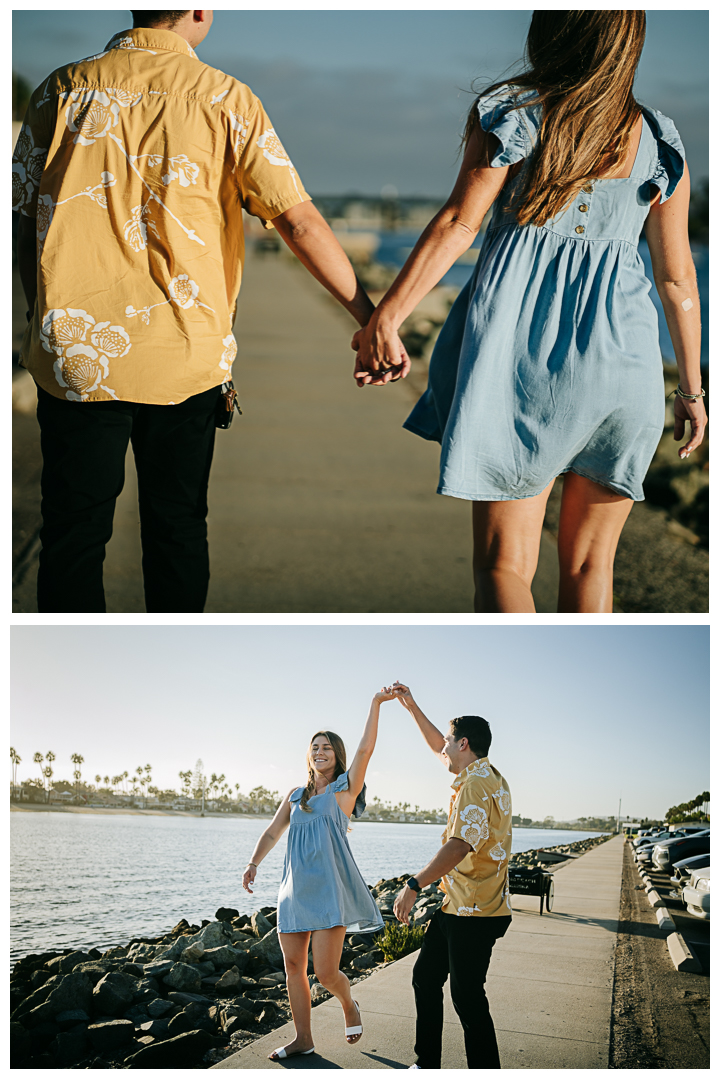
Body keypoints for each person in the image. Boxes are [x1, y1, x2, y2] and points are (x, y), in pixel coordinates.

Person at [12, 9, 390, 613]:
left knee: (72, 535)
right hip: (184, 356)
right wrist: (369, 317)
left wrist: (40, 317)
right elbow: (295, 218)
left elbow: (23, 217)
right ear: (197, 11)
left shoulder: (61, 89)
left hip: (76, 356)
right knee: (178, 528)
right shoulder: (226, 99)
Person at [352, 10, 707, 614]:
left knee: (504, 564)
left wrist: (386, 316)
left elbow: (458, 224)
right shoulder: (659, 141)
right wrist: (694, 392)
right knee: (592, 567)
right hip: (626, 372)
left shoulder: (515, 113)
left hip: (520, 368)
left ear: (553, 30)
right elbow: (677, 281)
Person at [241, 690, 391, 1060]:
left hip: (329, 893)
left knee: (325, 973)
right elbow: (274, 831)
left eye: (326, 747)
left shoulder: (343, 791)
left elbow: (365, 751)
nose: (319, 751)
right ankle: (303, 1039)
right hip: (293, 892)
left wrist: (375, 703)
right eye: (315, 747)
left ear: (337, 755)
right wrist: (253, 862)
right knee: (294, 968)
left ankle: (348, 1002)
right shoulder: (295, 795)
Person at [388, 682, 512, 1070]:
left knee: (468, 999)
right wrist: (410, 707)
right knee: (425, 979)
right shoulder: (488, 774)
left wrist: (413, 885)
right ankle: (427, 1065)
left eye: (448, 740)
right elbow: (435, 746)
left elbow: (459, 846)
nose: (442, 746)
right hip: (455, 906)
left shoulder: (475, 786)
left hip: (475, 913)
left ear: (464, 744)